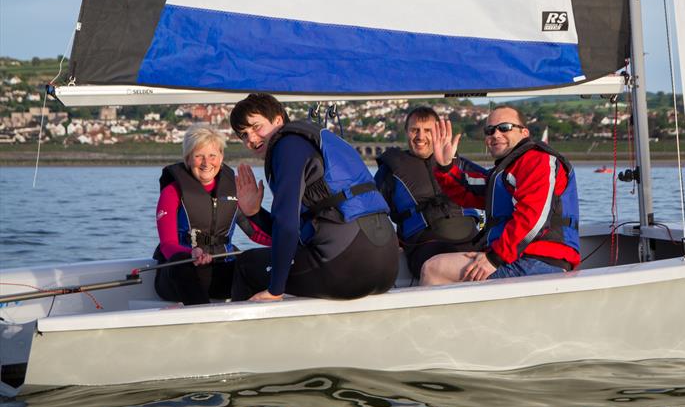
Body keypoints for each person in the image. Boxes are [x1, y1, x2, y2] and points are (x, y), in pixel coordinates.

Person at [229, 93, 399, 301]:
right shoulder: (320, 141)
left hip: (348, 268)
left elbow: (288, 226)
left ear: (278, 120)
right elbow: (296, 235)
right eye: (243, 135)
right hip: (388, 267)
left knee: (247, 265)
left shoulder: (286, 146)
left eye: (256, 127)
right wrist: (254, 213)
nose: (251, 139)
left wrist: (275, 290)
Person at [420, 106, 580, 285]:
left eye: (504, 127)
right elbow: (469, 191)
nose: (495, 134)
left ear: (524, 132)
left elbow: (533, 219)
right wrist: (445, 167)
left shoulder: (538, 160)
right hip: (514, 257)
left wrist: (494, 259)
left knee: (433, 269)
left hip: (540, 261)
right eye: (490, 130)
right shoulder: (507, 171)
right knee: (440, 262)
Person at [153, 124, 272, 305]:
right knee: (181, 261)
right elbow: (168, 245)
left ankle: (243, 316)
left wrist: (293, 240)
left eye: (212, 156)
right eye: (199, 156)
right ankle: (201, 319)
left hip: (220, 271)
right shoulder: (172, 191)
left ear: (221, 157)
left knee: (253, 259)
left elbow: (256, 233)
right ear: (188, 159)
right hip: (180, 275)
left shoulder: (232, 188)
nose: (206, 163)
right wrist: (193, 253)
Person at [374, 106, 481, 279]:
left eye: (427, 131)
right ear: (406, 132)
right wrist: (387, 240)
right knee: (445, 267)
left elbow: (496, 184)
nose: (420, 137)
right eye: (414, 130)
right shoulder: (390, 170)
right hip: (426, 245)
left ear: (438, 133)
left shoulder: (455, 161)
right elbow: (370, 210)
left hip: (471, 239)